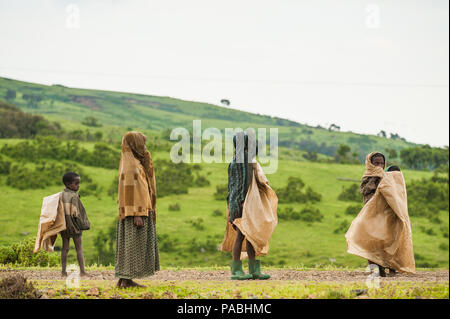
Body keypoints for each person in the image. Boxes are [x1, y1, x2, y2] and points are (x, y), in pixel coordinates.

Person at [346, 152, 415, 277]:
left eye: (382, 163)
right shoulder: (367, 177)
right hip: (372, 215)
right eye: (376, 163)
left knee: (388, 240)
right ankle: (376, 267)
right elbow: (366, 192)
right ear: (370, 163)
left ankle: (391, 266)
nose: (379, 166)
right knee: (372, 240)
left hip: (388, 215)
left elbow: (396, 195)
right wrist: (379, 185)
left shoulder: (388, 177)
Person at [220, 131, 278, 280]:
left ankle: (253, 269)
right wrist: (243, 202)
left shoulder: (235, 160)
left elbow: (232, 185)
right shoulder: (244, 160)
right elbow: (243, 184)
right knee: (241, 235)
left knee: (250, 235)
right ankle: (237, 270)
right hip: (243, 203)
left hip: (237, 202)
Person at [115, 131, 159, 288]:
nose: (144, 147)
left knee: (130, 247)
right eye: (142, 143)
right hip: (136, 213)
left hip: (135, 212)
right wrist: (137, 214)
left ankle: (124, 279)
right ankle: (126, 280)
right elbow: (131, 192)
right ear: (135, 145)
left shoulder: (131, 161)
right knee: (134, 248)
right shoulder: (131, 166)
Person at [60, 172, 91, 278]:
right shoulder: (74, 196)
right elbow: (76, 213)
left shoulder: (61, 194)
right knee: (79, 248)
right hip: (74, 226)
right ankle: (82, 271)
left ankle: (63, 272)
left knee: (65, 248)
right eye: (76, 184)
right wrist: (82, 225)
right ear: (68, 184)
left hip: (64, 226)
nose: (78, 186)